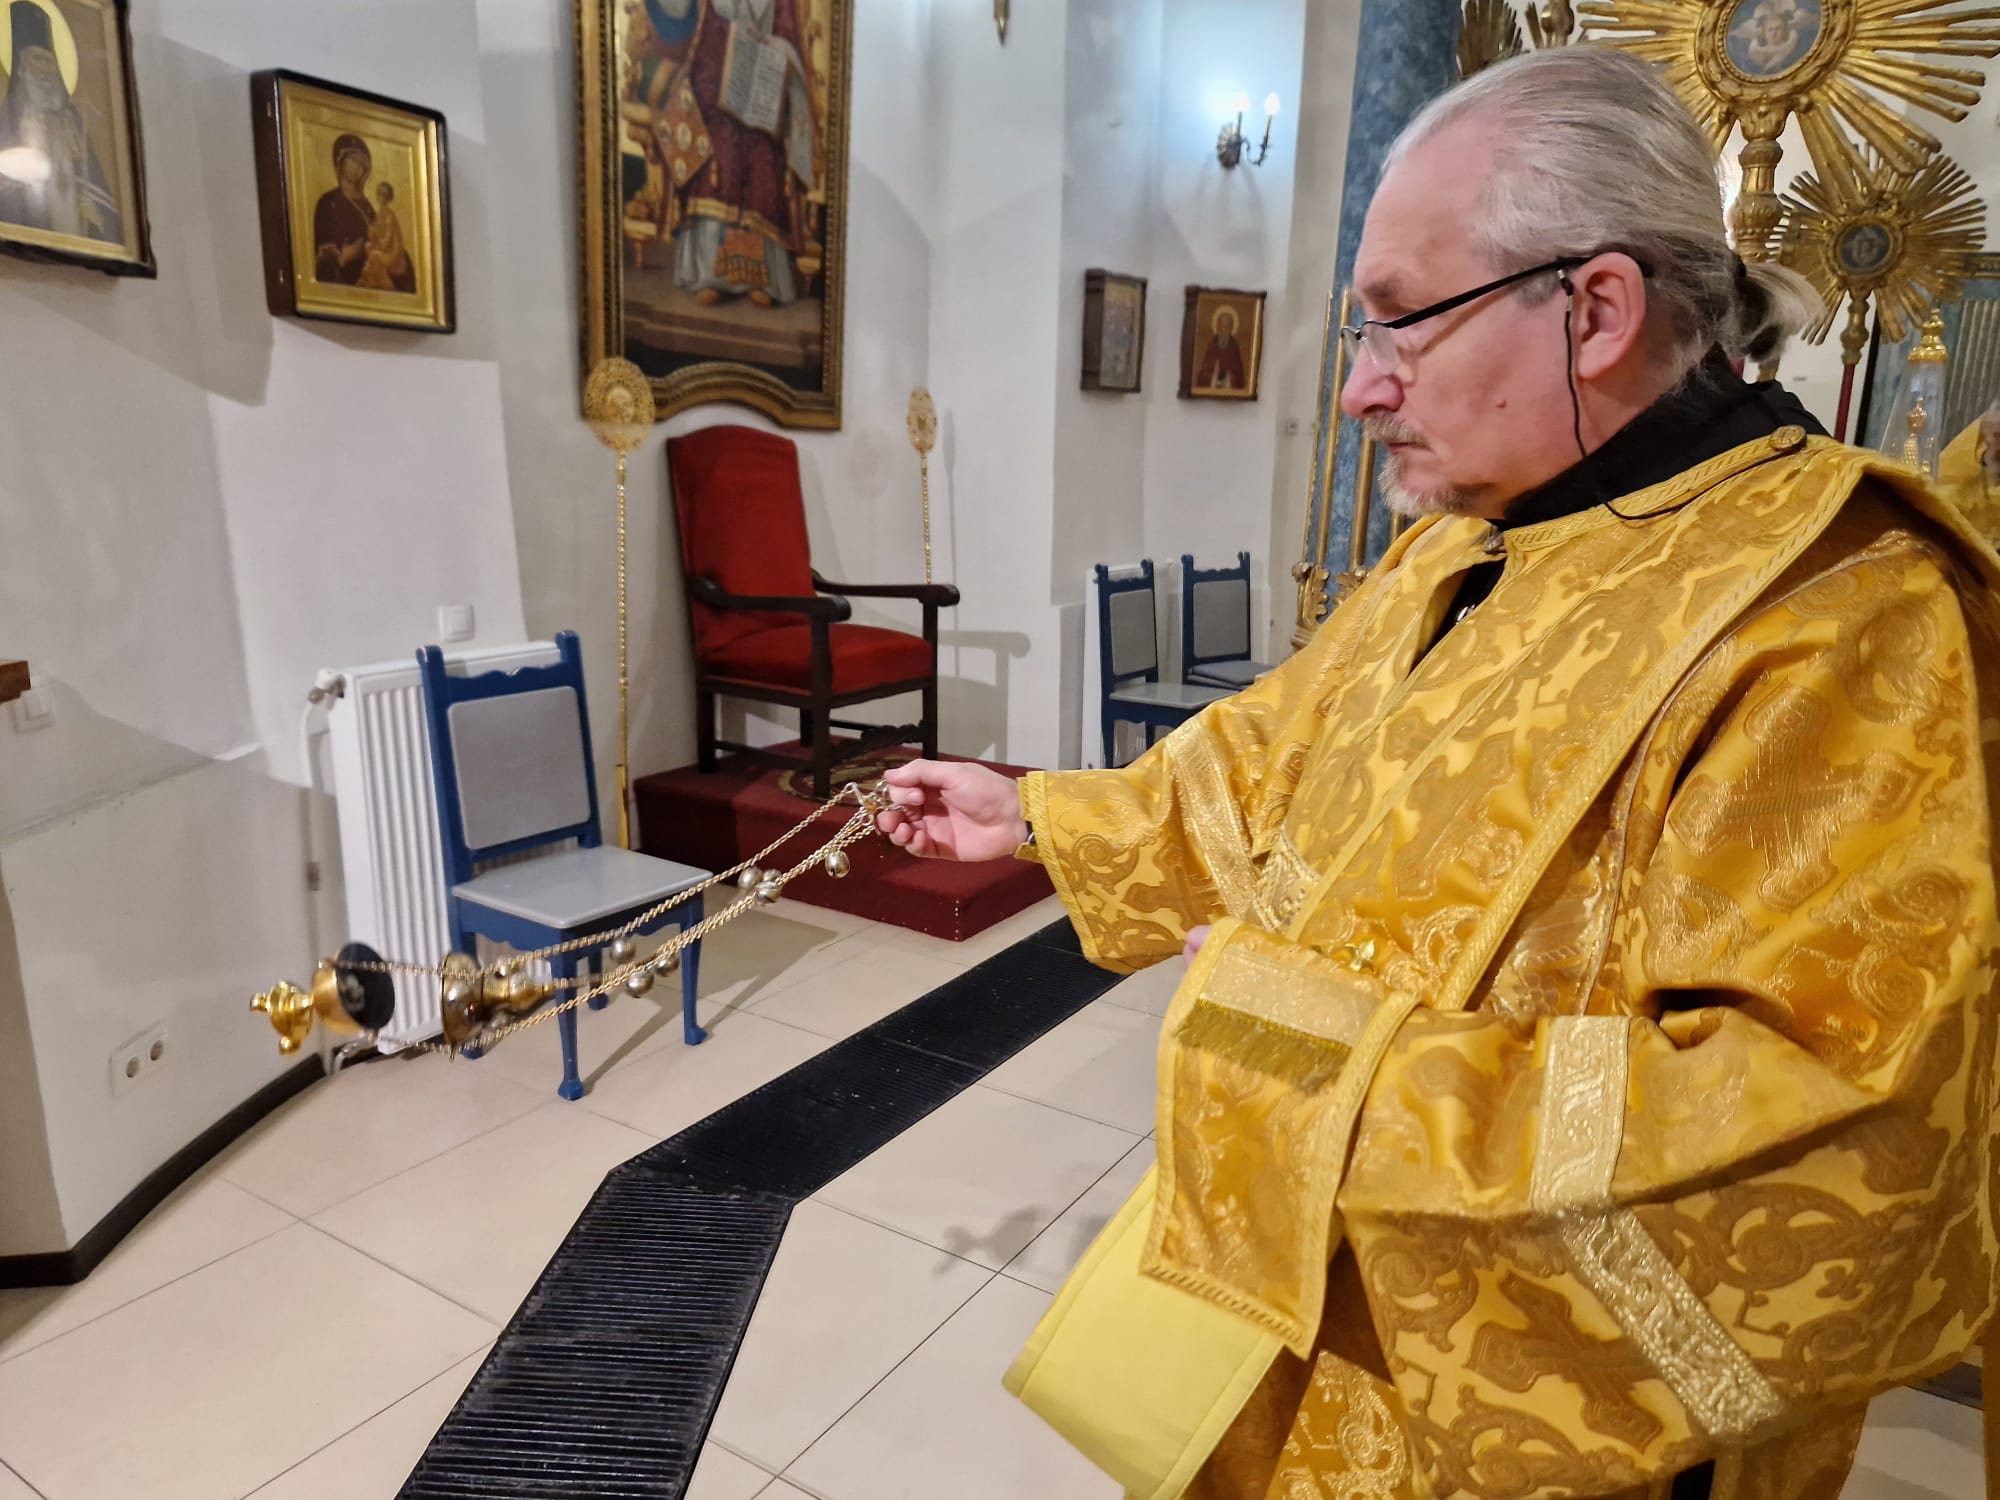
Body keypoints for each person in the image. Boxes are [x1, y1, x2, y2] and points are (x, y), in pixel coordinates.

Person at [875, 46, 2000, 1500]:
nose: (1359, 390)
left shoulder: (1837, 614)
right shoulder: (1466, 544)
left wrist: (1313, 1063)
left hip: (1556, 1415)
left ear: (1596, 310)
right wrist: (1038, 814)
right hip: (1316, 1323)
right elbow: (1273, 759)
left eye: (1401, 323)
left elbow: (1835, 1127)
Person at [623, 0, 815, 307]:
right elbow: (679, 15)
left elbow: (789, 38)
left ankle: (760, 278)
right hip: (711, 76)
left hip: (761, 84)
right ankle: (711, 275)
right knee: (713, 140)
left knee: (762, 151)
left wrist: (771, 47)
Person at [0, 0, 123, 244]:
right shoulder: (9, 117)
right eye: (37, 59)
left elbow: (93, 183)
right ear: (21, 68)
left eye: (50, 61)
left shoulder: (72, 119)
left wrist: (94, 214)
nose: (47, 69)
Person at [312, 134, 413, 292]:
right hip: (342, 287)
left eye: (362, 164)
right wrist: (344, 256)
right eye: (353, 160)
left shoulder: (369, 209)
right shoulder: (328, 203)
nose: (357, 168)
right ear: (340, 161)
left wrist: (398, 261)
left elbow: (384, 243)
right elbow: (319, 256)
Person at [357, 180, 410, 291]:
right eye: (380, 193)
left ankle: (376, 281)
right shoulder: (379, 213)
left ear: (388, 197)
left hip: (392, 253)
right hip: (382, 249)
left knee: (374, 255)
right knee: (367, 246)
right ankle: (373, 280)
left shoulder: (389, 216)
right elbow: (376, 234)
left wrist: (376, 235)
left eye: (384, 194)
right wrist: (371, 231)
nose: (381, 196)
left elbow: (386, 241)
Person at [1197, 306, 1248, 391]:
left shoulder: (1234, 346)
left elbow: (1238, 373)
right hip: (1212, 379)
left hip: (1229, 382)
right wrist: (1213, 375)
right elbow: (1205, 368)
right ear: (1218, 327)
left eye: (1227, 326)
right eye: (1222, 326)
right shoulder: (1212, 344)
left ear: (1231, 328)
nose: (1224, 330)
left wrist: (1230, 376)